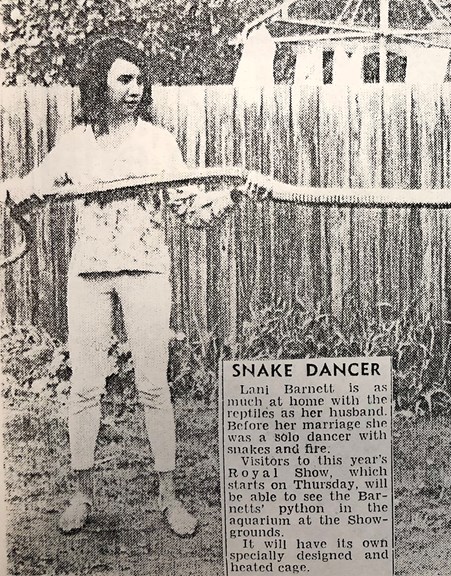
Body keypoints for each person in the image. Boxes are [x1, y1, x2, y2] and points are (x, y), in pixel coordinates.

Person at [4, 37, 225, 537]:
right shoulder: (79, 141)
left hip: (146, 269)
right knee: (85, 385)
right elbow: (34, 183)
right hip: (90, 273)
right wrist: (17, 192)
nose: (134, 88)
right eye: (123, 78)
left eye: (139, 79)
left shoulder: (158, 142)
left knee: (152, 385)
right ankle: (81, 495)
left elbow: (187, 206)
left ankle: (169, 498)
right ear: (100, 83)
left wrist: (218, 202)